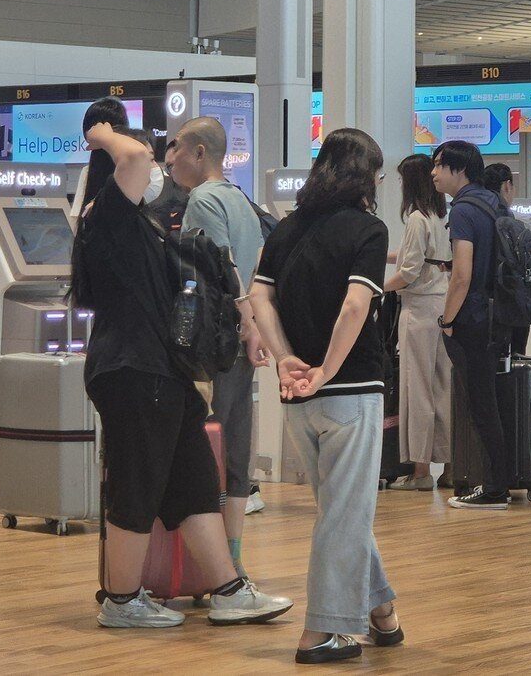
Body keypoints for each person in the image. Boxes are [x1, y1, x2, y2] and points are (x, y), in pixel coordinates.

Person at [70, 97, 290, 630]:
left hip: (159, 374)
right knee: (137, 482)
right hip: (133, 370)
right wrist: (103, 133)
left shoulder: (132, 220)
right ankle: (120, 600)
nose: (159, 165)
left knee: (192, 480)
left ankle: (229, 589)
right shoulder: (111, 215)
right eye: (150, 154)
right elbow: (130, 161)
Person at [249, 127, 402, 663]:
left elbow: (257, 296)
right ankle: (323, 631)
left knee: (342, 508)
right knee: (344, 513)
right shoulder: (370, 230)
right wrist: (327, 370)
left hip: (298, 396)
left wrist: (287, 357)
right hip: (351, 389)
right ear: (368, 178)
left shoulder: (287, 228)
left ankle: (381, 611)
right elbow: (356, 307)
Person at [165, 117, 268, 578]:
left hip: (216, 341)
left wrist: (245, 322)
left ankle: (218, 565)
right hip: (240, 338)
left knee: (210, 443)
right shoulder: (239, 199)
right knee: (237, 440)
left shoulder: (204, 200)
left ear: (200, 152)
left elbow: (221, 268)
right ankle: (233, 556)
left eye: (177, 150)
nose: (170, 161)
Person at [432, 140, 512, 510]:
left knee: (481, 405)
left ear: (459, 170)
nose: (433, 173)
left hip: (473, 321)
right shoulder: (494, 203)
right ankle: (500, 479)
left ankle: (495, 488)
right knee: (494, 401)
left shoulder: (463, 210)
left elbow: (462, 277)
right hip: (501, 318)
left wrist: (446, 321)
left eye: (439, 165)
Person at [383, 154, 452, 492]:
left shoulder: (415, 218)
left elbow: (409, 273)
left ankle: (421, 470)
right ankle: (451, 464)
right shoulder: (442, 216)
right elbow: (428, 259)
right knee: (444, 386)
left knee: (417, 388)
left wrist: (373, 288)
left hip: (419, 310)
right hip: (443, 305)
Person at [479, 162, 529, 355]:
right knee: (514, 362)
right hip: (510, 302)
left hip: (485, 302)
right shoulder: (507, 216)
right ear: (507, 185)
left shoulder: (479, 211)